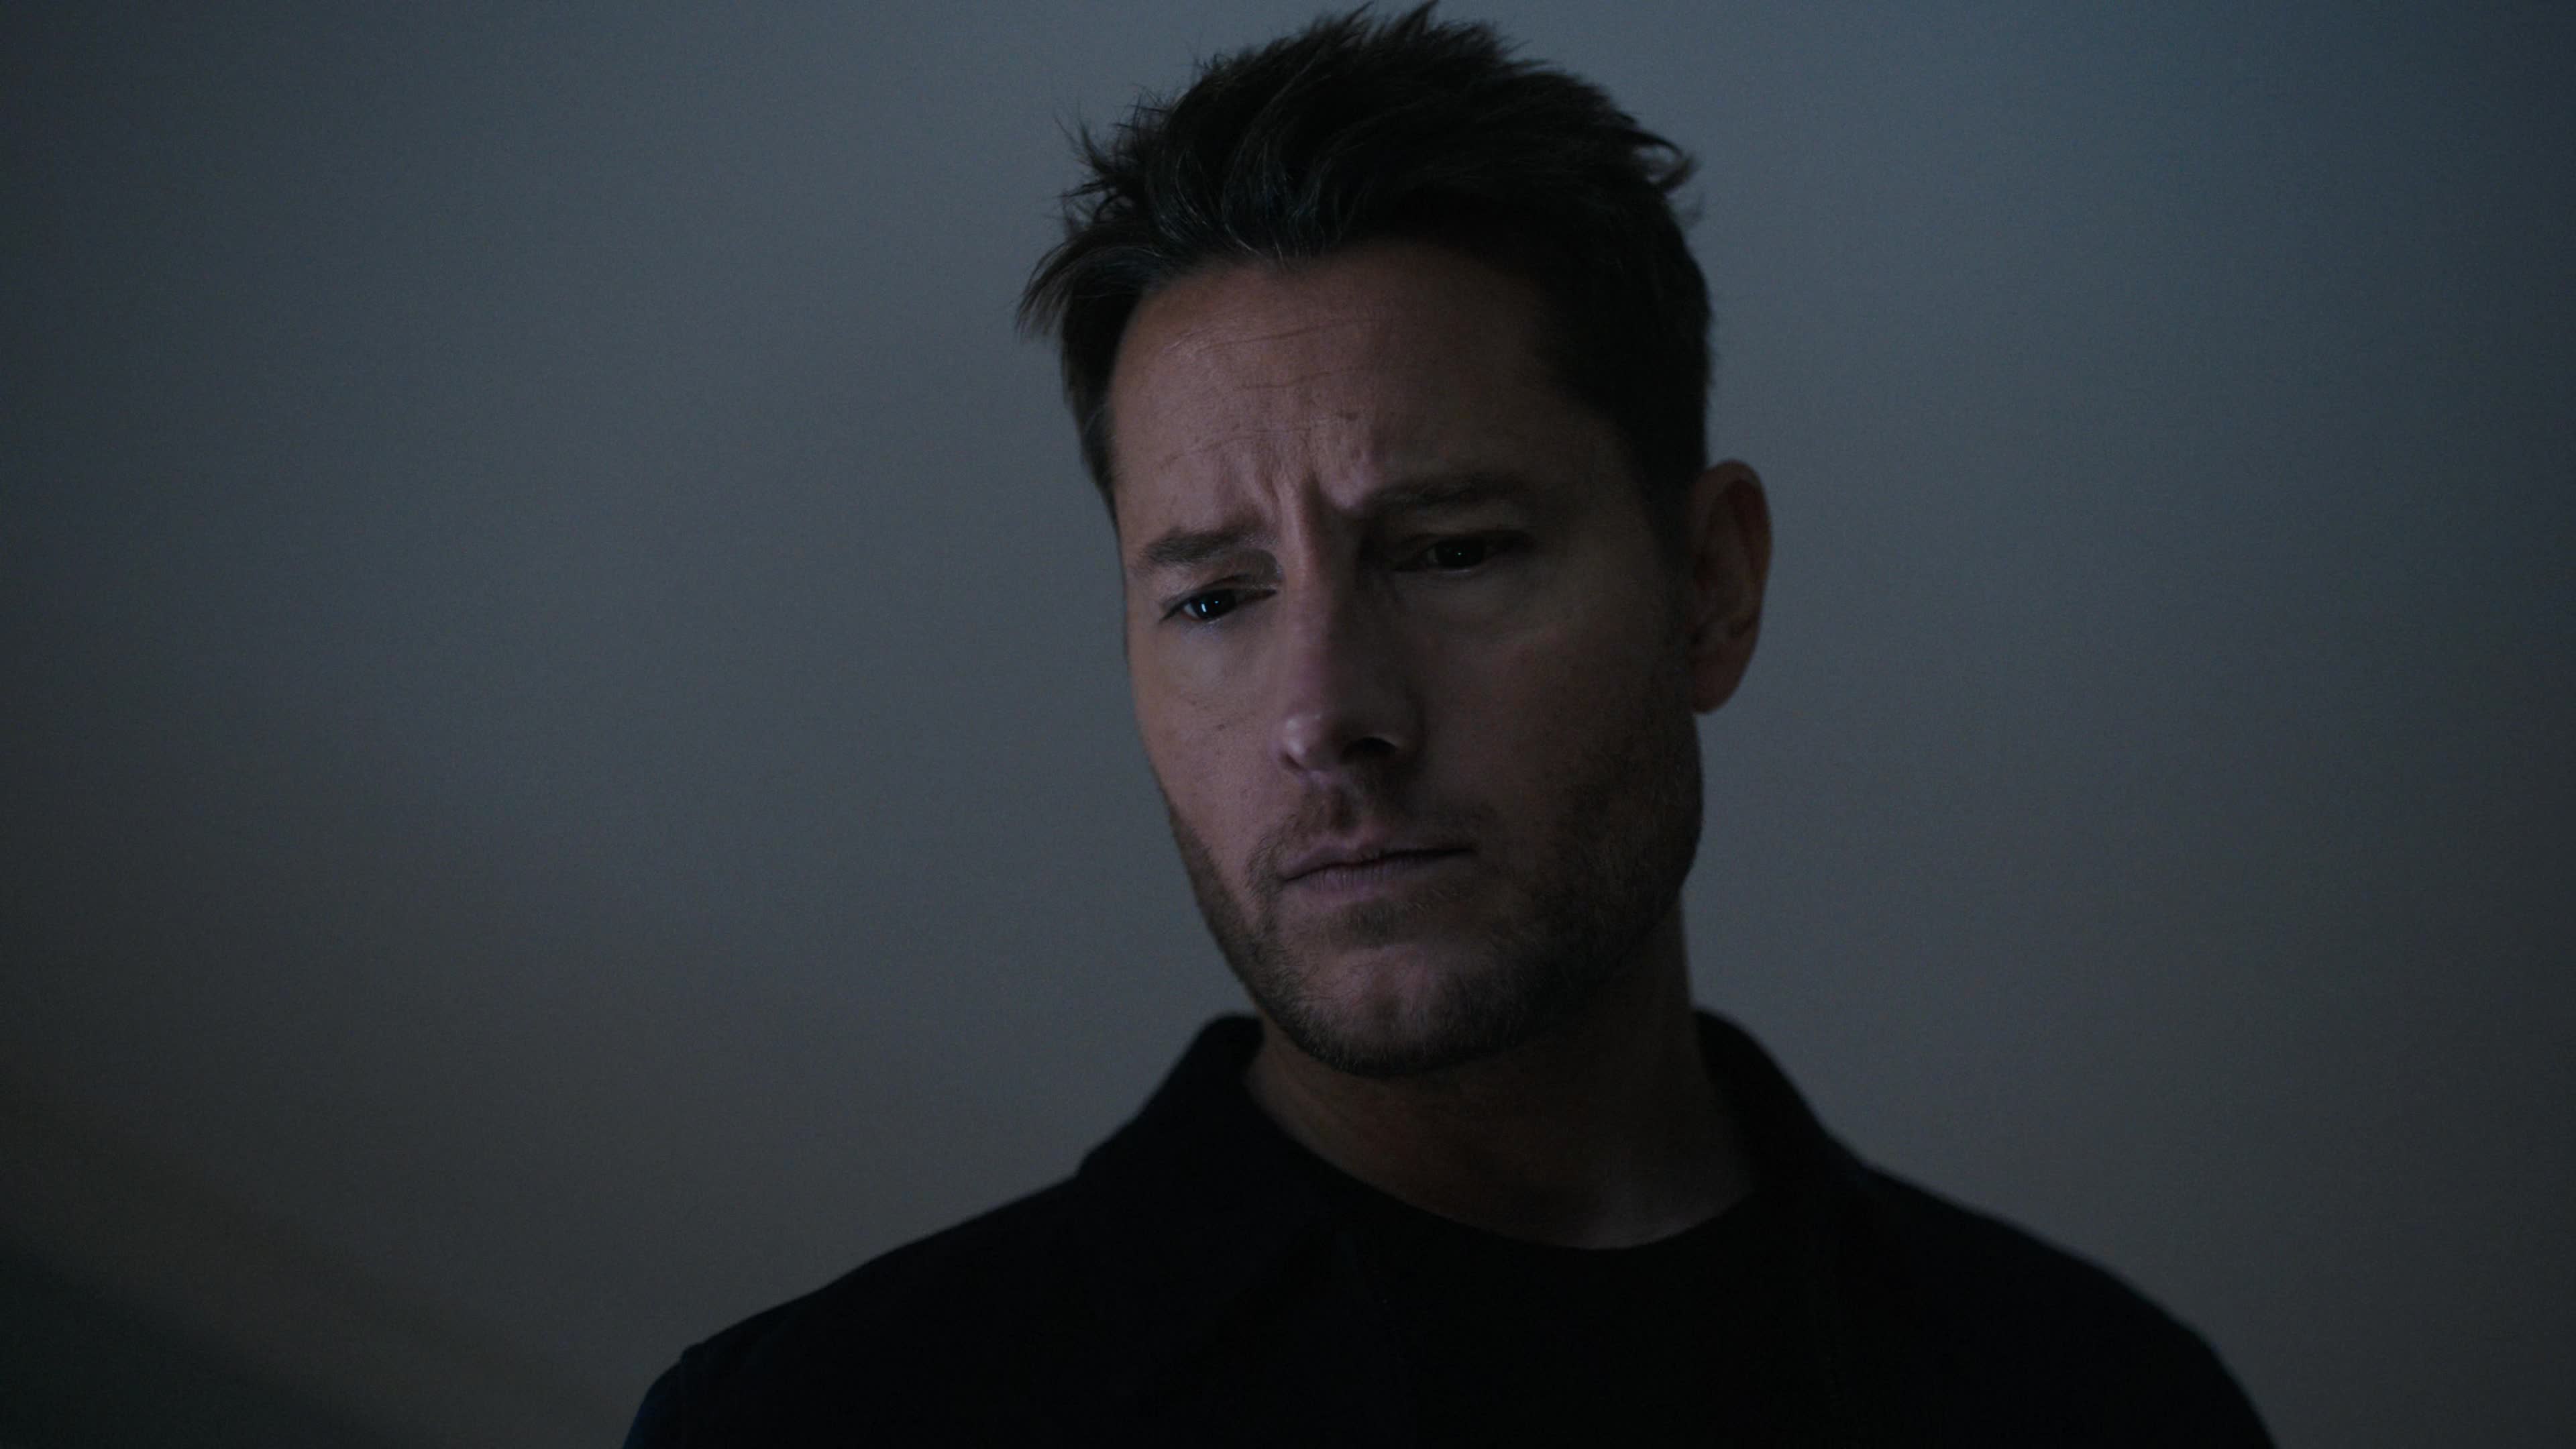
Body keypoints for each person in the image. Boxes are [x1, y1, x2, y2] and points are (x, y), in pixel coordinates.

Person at [625, 7, 2271, 1444]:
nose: (1327, 716)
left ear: (1709, 587)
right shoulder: (821, 1422)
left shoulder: (2101, 1402)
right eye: (1215, 599)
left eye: (1452, 552)